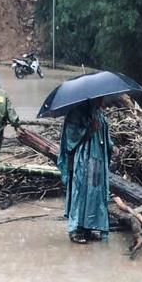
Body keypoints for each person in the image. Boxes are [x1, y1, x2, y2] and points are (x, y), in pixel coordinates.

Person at [56, 98, 112, 243]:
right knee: (80, 191)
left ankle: (88, 227)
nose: (102, 101)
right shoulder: (76, 112)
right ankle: (75, 229)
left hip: (97, 159)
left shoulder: (98, 113)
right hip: (82, 160)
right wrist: (89, 130)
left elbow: (104, 133)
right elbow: (70, 138)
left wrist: (112, 146)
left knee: (94, 192)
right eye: (99, 98)